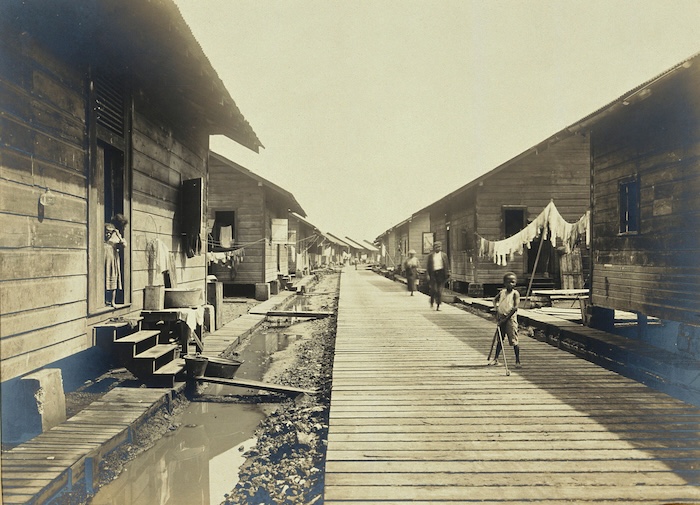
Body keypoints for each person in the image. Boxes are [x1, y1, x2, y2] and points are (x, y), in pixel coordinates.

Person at [489, 272, 522, 368]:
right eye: (508, 282)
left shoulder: (515, 294)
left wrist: (506, 318)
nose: (511, 284)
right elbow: (495, 300)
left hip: (510, 319)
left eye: (513, 282)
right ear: (504, 283)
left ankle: (517, 361)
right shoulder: (502, 292)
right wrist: (496, 308)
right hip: (501, 318)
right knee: (500, 339)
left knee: (514, 340)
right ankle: (495, 359)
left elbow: (515, 308)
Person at [105, 213, 128, 307]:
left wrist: (118, 234)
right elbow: (123, 244)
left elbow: (123, 244)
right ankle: (109, 300)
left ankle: (111, 301)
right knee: (109, 274)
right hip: (108, 254)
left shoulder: (114, 231)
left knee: (111, 275)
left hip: (110, 254)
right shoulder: (110, 229)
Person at [426, 241, 450, 310]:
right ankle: (431, 301)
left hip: (441, 273)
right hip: (433, 273)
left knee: (439, 290)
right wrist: (427, 274)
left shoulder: (444, 255)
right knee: (434, 289)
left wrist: (448, 273)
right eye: (436, 247)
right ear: (434, 248)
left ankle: (438, 305)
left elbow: (447, 265)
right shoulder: (431, 256)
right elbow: (428, 266)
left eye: (439, 247)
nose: (438, 248)